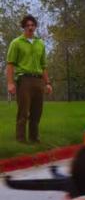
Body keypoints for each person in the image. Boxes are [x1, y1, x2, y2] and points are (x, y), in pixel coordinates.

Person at [6, 14, 52, 143]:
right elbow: (10, 64)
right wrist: (10, 83)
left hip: (38, 80)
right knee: (24, 112)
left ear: (35, 27)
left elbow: (44, 66)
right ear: (23, 27)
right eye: (27, 25)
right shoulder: (16, 43)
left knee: (37, 112)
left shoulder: (40, 43)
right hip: (24, 80)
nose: (30, 27)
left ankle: (34, 138)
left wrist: (47, 83)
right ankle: (21, 139)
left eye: (32, 25)